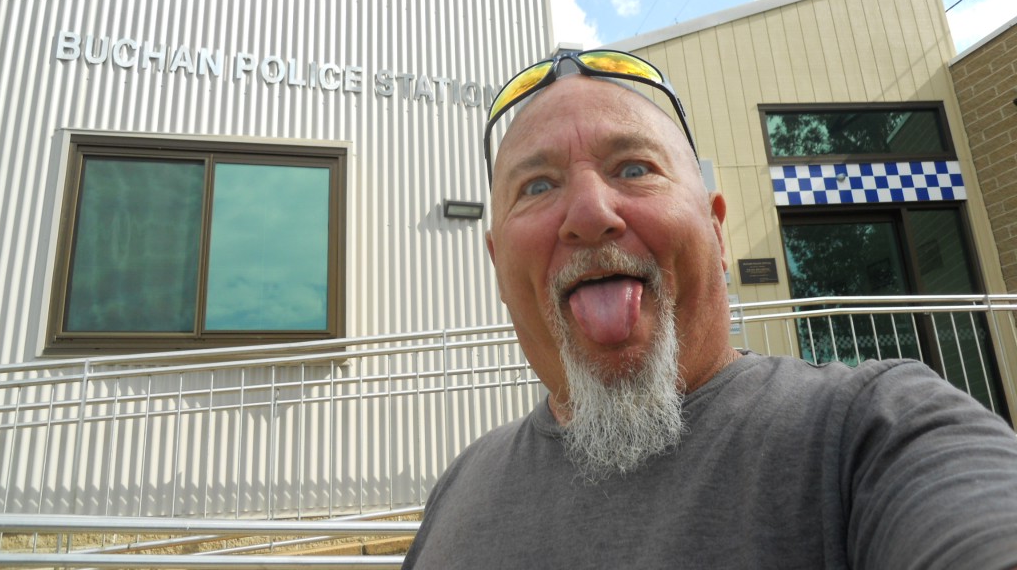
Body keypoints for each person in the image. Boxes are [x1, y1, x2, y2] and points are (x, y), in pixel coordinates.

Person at [403, 49, 1017, 569]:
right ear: (498, 266)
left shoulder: (874, 431)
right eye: (537, 186)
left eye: (634, 168)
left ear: (717, 233)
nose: (590, 214)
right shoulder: (458, 489)